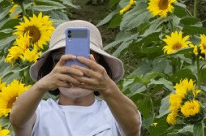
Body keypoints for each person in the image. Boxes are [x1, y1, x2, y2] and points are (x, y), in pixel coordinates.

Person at [10, 20, 142, 136]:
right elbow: (17, 121)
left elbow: (133, 128)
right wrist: (41, 85)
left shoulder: (113, 113)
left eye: (85, 59)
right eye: (62, 59)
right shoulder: (40, 111)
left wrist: (107, 87)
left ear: (100, 66)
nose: (74, 68)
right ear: (51, 69)